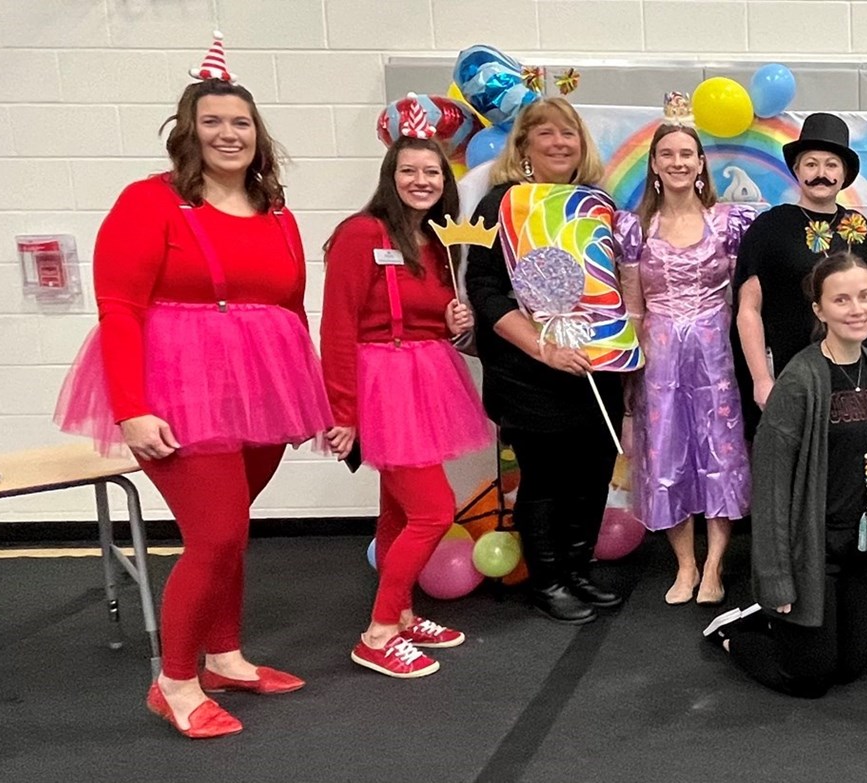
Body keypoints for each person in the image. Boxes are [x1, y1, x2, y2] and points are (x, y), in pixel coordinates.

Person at [53, 34, 329, 738]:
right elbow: (118, 309)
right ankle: (173, 681)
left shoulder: (277, 211)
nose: (228, 133)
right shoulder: (150, 202)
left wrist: (313, 393)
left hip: (262, 393)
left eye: (240, 122)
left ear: (257, 134)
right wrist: (133, 408)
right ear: (188, 129)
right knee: (216, 535)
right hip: (178, 393)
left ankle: (226, 655)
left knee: (232, 536)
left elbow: (293, 311)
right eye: (212, 121)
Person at [321, 129, 491, 678]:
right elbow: (339, 325)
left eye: (433, 173)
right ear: (390, 179)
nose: (422, 181)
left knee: (397, 510)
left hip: (426, 377)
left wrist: (451, 322)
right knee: (434, 510)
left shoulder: (438, 243)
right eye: (409, 171)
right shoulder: (361, 233)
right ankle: (377, 633)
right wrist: (341, 411)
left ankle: (401, 611)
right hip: (381, 385)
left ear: (445, 183)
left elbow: (429, 314)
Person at [464, 96, 624, 625]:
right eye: (547, 134)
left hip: (594, 365)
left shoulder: (597, 204)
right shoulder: (502, 205)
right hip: (530, 371)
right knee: (547, 476)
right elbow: (486, 291)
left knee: (595, 471)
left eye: (569, 134)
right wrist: (542, 348)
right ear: (525, 145)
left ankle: (577, 568)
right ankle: (547, 578)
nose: (560, 143)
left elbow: (614, 283)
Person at [706, 251, 867, 698]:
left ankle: (788, 628)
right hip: (813, 552)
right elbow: (770, 487)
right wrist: (775, 578)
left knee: (850, 669)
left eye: (865, 296)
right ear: (819, 310)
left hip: (860, 547)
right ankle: (737, 631)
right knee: (810, 679)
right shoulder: (800, 380)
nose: (857, 309)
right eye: (841, 300)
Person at [618, 94, 758, 606]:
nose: (678, 163)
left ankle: (716, 565)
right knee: (667, 454)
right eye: (667, 154)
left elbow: (747, 298)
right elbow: (634, 306)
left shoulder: (730, 222)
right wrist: (630, 367)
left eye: (687, 154)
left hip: (716, 352)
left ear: (701, 163)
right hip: (659, 356)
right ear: (654, 164)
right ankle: (685, 563)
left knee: (718, 452)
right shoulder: (633, 228)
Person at [734, 112, 867, 434]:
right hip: (789, 378)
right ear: (797, 170)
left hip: (852, 381)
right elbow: (748, 309)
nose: (821, 174)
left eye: (831, 165)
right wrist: (761, 379)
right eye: (811, 164)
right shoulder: (770, 227)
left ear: (843, 175)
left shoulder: (860, 230)